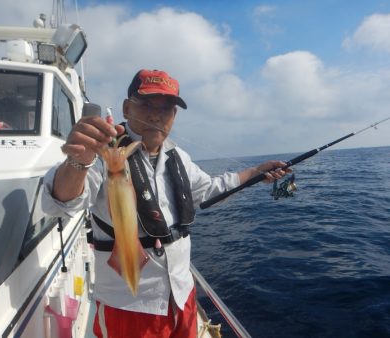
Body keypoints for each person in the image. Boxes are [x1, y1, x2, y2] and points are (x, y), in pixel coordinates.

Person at [42, 69, 291, 337]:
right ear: (127, 108)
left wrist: (255, 173)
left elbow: (208, 191)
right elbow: (59, 203)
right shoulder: (103, 153)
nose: (156, 115)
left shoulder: (178, 156)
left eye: (167, 109)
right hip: (130, 306)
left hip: (182, 293)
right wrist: (78, 161)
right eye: (146, 104)